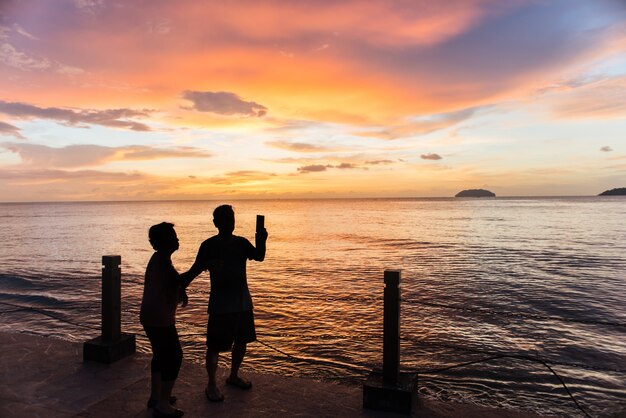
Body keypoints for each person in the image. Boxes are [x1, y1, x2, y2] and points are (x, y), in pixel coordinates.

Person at [180, 204, 267, 402]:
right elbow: (193, 271)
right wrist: (179, 285)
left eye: (232, 218)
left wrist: (261, 238)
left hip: (243, 302)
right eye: (226, 218)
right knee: (214, 345)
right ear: (216, 223)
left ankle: (233, 375)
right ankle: (211, 383)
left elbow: (259, 256)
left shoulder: (242, 243)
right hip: (220, 305)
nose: (230, 222)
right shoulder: (208, 246)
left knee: (242, 341)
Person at [140, 222, 188, 418]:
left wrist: (180, 290)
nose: (177, 240)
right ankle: (162, 404)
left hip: (151, 316)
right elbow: (178, 280)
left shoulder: (160, 259)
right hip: (159, 318)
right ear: (165, 242)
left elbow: (173, 282)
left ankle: (156, 396)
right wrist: (202, 265)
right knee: (174, 357)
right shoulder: (161, 261)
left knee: (160, 355)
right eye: (174, 237)